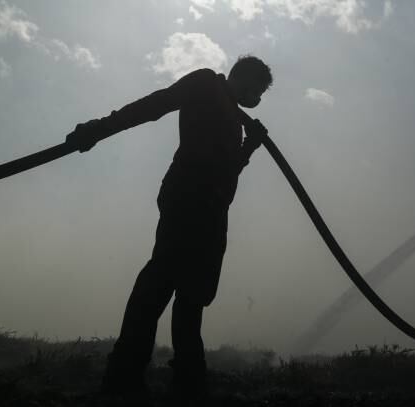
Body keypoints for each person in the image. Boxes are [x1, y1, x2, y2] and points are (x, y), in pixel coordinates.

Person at [66, 55, 273, 401]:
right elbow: (154, 105)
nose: (257, 99)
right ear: (242, 78)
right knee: (158, 284)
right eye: (257, 90)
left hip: (212, 213)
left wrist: (249, 145)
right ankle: (125, 376)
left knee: (192, 297)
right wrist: (98, 129)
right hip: (187, 201)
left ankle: (188, 383)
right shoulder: (206, 84)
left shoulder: (234, 118)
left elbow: (225, 170)